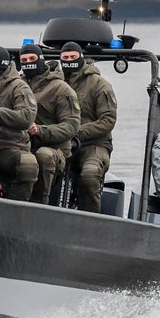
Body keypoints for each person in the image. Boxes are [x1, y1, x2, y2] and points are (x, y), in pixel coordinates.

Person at [20, 43, 80, 206]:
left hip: (55, 149)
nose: (28, 63)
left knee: (43, 155)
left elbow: (71, 126)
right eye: (24, 60)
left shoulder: (61, 89)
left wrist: (40, 130)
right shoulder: (18, 85)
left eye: (32, 59)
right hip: (22, 144)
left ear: (41, 59)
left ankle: (39, 206)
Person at [62, 41, 117, 214]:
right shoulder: (54, 82)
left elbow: (108, 120)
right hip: (60, 141)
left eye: (73, 57)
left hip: (94, 144)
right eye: (65, 57)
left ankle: (90, 219)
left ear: (81, 57)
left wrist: (77, 132)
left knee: (89, 174)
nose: (69, 61)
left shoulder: (100, 85)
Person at [0, 45, 38, 201]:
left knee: (28, 164)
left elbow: (26, 117)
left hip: (8, 146)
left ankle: (15, 207)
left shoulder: (18, 86)